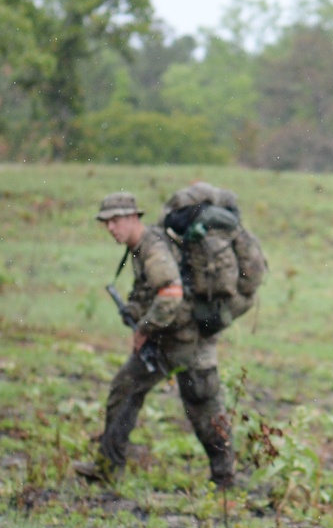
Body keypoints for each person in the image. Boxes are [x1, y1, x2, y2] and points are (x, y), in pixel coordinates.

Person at [74, 191, 234, 487]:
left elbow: (171, 293)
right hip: (180, 337)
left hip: (182, 340)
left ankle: (225, 479)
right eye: (106, 222)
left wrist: (144, 328)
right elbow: (151, 291)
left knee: (201, 406)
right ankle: (223, 479)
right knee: (135, 392)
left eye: (117, 220)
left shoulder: (152, 248)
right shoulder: (141, 248)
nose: (111, 228)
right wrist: (136, 311)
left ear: (134, 218)